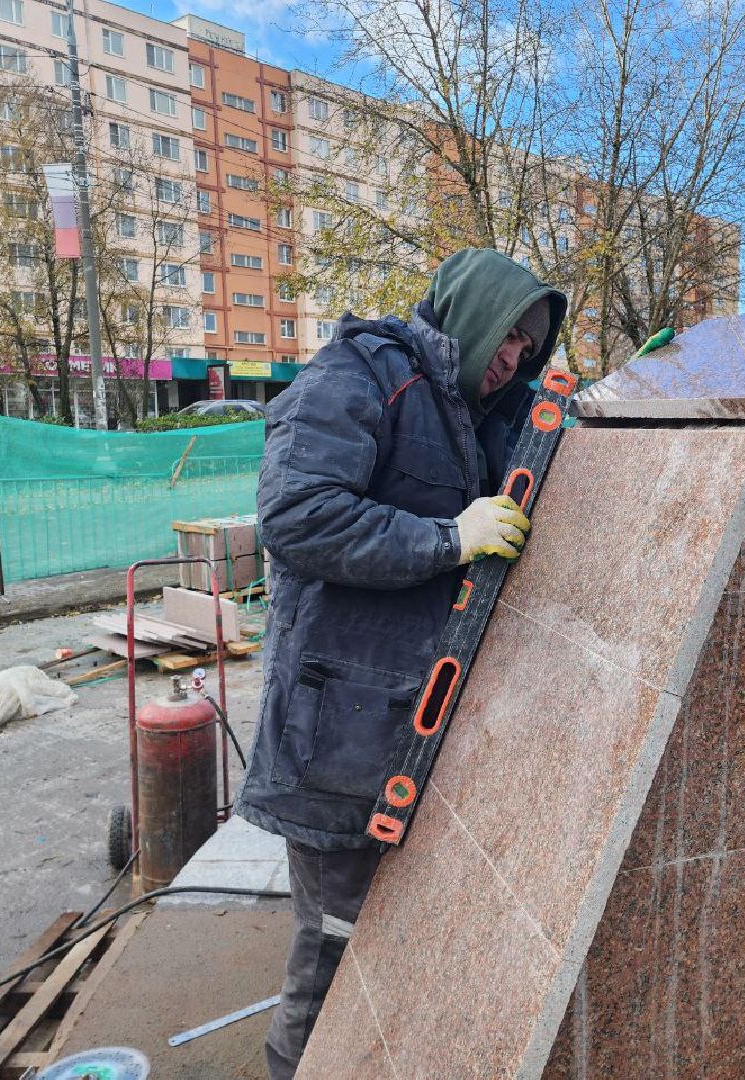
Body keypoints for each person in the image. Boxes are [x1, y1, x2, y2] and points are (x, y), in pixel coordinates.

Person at [235, 247, 568, 1080]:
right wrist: (447, 539)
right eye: (510, 336)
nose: (515, 357)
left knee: (388, 954)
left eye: (531, 347)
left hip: (408, 739)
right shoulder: (361, 376)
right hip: (336, 739)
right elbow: (298, 514)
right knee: (332, 958)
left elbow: (554, 422)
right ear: (473, 316)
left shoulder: (470, 408)